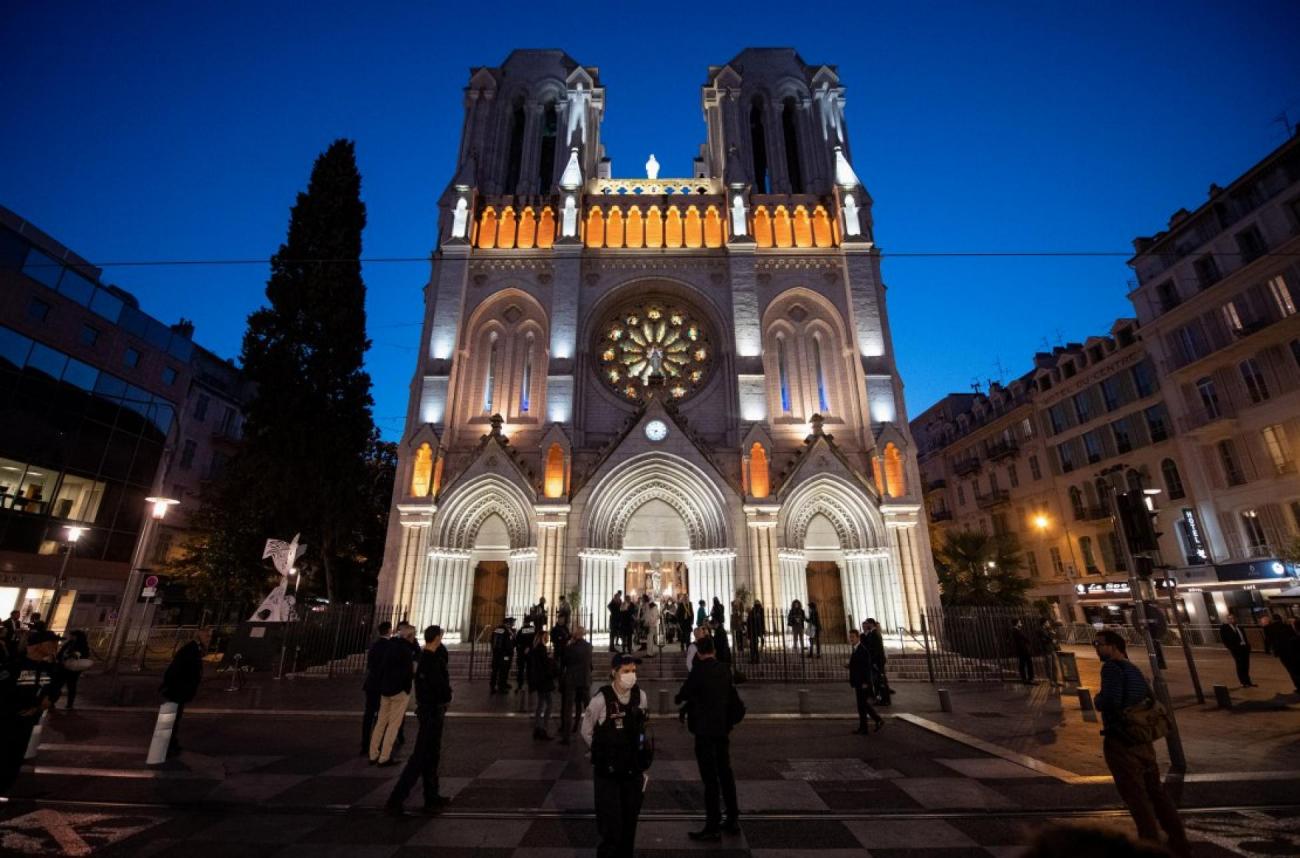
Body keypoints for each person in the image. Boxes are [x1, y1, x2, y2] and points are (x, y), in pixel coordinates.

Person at [1093, 630, 1189, 857]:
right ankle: (1179, 841)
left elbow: (1111, 701)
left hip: (1122, 741)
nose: (1096, 648)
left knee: (1136, 798)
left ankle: (1149, 845)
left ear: (1114, 646)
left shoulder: (1111, 668)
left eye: (1099, 644)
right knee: (1157, 794)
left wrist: (1098, 699)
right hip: (1143, 741)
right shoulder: (1134, 669)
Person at [581, 653, 651, 858]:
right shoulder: (601, 699)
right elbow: (586, 730)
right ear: (614, 673)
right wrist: (601, 751)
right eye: (625, 671)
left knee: (630, 825)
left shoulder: (641, 697)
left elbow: (642, 728)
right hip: (608, 774)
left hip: (632, 772)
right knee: (611, 828)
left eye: (633, 671)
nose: (630, 675)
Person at [675, 636, 740, 840]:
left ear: (699, 653)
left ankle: (712, 826)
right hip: (722, 730)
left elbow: (683, 694)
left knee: (710, 779)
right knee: (726, 773)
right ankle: (732, 818)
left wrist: (682, 701)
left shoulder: (699, 671)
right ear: (714, 650)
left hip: (704, 732)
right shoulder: (724, 670)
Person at [386, 625, 452, 815]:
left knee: (432, 756)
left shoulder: (428, 658)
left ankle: (432, 796)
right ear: (437, 638)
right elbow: (436, 687)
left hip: (434, 711)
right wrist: (446, 696)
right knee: (420, 757)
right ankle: (396, 798)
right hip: (430, 712)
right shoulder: (428, 661)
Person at [2, 628, 64, 795]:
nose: (55, 645)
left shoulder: (50, 668)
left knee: (14, 759)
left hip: (27, 723)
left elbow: (54, 690)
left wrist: (45, 703)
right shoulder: (14, 665)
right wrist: (17, 708)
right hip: (7, 720)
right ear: (37, 645)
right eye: (51, 642)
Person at [370, 623, 416, 766]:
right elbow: (409, 672)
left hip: (385, 689)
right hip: (399, 692)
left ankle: (373, 754)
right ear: (409, 636)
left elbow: (382, 667)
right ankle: (384, 757)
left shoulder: (390, 646)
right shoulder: (406, 650)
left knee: (380, 722)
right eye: (413, 636)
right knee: (393, 725)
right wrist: (406, 688)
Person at [160, 627, 210, 755]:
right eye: (206, 637)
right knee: (171, 718)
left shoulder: (193, 649)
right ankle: (165, 746)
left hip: (179, 689)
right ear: (198, 637)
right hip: (177, 689)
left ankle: (170, 743)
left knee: (173, 718)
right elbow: (177, 669)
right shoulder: (191, 650)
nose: (208, 639)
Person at [362, 621, 393, 752]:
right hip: (384, 685)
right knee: (382, 716)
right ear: (389, 631)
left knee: (368, 715)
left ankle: (364, 743)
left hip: (371, 684)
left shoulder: (374, 646)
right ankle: (377, 744)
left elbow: (369, 666)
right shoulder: (391, 647)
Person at [560, 625, 593, 744]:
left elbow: (564, 662)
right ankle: (593, 732)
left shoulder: (570, 648)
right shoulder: (589, 647)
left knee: (568, 708)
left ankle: (566, 737)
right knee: (589, 707)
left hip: (572, 680)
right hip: (584, 680)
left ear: (576, 634)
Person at [848, 629, 884, 734]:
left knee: (862, 705)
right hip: (858, 681)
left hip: (862, 682)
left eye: (853, 637)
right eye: (850, 637)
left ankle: (874, 722)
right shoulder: (856, 649)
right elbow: (858, 665)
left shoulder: (862, 650)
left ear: (858, 638)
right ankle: (866, 726)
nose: (851, 639)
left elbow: (866, 668)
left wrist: (866, 682)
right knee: (862, 705)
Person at [528, 629, 557, 740]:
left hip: (539, 681)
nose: (548, 638)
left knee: (540, 705)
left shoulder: (535, 649)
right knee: (548, 704)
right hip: (544, 681)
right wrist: (550, 660)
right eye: (546, 636)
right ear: (541, 638)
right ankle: (543, 729)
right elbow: (545, 666)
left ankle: (537, 728)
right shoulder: (541, 649)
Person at [1261, 613, 1300, 692]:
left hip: (1283, 653)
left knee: (1291, 670)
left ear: (1272, 620)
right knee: (1297, 668)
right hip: (1293, 651)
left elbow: (1268, 640)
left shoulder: (1268, 628)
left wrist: (1267, 650)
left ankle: (1299, 687)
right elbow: (1294, 637)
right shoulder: (1286, 626)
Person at [57, 630, 91, 710]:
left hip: (74, 668)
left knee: (70, 685)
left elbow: (84, 655)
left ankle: (69, 704)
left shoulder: (81, 645)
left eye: (72, 635)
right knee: (60, 684)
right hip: (64, 666)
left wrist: (73, 655)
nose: (70, 637)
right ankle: (53, 701)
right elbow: (61, 652)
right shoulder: (69, 643)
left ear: (76, 636)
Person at [1218, 614, 1254, 687]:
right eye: (1229, 618)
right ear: (1227, 620)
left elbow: (1244, 637)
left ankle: (1248, 681)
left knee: (1246, 665)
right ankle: (1243, 682)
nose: (1231, 620)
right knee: (1240, 665)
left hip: (1244, 648)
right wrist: (1231, 647)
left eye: (1233, 618)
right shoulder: (1225, 628)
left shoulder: (1239, 627)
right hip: (1236, 649)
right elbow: (1224, 639)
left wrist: (1247, 646)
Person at [863, 618, 890, 705]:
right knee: (878, 681)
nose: (866, 626)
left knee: (880, 681)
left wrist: (874, 661)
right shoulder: (873, 633)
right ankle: (882, 698)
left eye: (867, 623)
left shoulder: (875, 634)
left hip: (877, 661)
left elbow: (876, 649)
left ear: (871, 624)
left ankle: (884, 699)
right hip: (877, 661)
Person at [489, 617, 516, 694]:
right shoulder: (506, 631)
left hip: (496, 654)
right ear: (507, 623)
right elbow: (508, 644)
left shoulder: (497, 629)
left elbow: (492, 640)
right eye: (512, 623)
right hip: (505, 655)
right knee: (503, 670)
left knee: (495, 670)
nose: (513, 624)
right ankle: (501, 687)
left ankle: (493, 686)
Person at [514, 617, 537, 692]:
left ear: (524, 622)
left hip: (521, 653)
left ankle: (520, 685)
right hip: (530, 653)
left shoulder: (521, 630)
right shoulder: (533, 630)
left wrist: (522, 649)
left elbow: (517, 641)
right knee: (530, 670)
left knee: (521, 670)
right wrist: (529, 648)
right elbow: (535, 641)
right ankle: (531, 686)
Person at [1039, 618, 1061, 687]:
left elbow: (1053, 637)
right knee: (1049, 666)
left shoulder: (1048, 630)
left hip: (1052, 649)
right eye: (1047, 622)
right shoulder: (1041, 630)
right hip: (1047, 650)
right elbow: (1044, 640)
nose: (1048, 624)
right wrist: (1051, 639)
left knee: (1055, 666)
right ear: (1044, 623)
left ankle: (1056, 680)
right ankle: (1051, 681)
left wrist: (1052, 634)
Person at [1012, 620, 1035, 684]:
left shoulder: (1017, 630)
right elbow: (1024, 638)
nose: (1021, 623)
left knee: (1023, 664)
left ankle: (1026, 679)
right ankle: (1029, 679)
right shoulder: (1016, 631)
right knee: (1027, 664)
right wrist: (1028, 641)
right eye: (1020, 622)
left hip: (1022, 650)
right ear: (1017, 624)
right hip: (1023, 650)